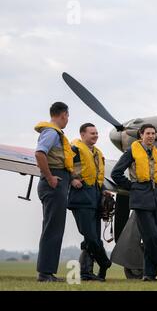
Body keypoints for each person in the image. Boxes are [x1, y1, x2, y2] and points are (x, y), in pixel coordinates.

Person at [111, 124, 157, 282]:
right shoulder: (131, 151)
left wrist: (156, 188)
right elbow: (116, 173)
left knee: (155, 239)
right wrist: (134, 187)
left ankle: (149, 274)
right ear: (141, 135)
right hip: (141, 200)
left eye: (153, 133)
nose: (151, 136)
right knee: (151, 237)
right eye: (148, 133)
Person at [34, 102, 74, 282]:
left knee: (53, 228)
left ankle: (47, 272)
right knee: (53, 229)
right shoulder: (51, 132)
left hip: (58, 181)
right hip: (54, 182)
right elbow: (39, 153)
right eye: (67, 115)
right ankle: (45, 273)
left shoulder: (52, 132)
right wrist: (50, 177)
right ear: (63, 114)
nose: (67, 119)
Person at [68, 123, 112, 281]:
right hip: (81, 198)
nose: (96, 135)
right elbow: (64, 166)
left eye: (97, 133)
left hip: (95, 198)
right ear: (82, 135)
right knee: (91, 237)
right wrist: (72, 179)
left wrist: (103, 189)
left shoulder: (97, 153)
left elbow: (96, 175)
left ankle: (86, 273)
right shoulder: (74, 148)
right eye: (92, 133)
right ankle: (105, 262)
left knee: (92, 239)